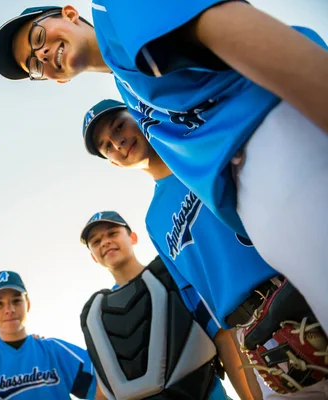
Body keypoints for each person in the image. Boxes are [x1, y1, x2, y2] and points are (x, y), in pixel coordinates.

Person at [0, 4, 328, 330]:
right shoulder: (129, 89)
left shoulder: (115, 12)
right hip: (268, 198)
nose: (42, 55)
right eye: (33, 64)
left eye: (37, 38)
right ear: (55, 80)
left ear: (68, 13)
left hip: (280, 133)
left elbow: (238, 29)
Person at [80, 99, 328, 398]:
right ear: (114, 163)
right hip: (256, 335)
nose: (117, 142)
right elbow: (207, 307)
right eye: (107, 146)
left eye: (119, 126)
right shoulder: (154, 220)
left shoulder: (204, 151)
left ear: (137, 114)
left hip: (302, 288)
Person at [80, 210, 256, 399]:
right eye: (96, 242)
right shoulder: (96, 315)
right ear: (93, 256)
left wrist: (249, 396)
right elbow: (104, 386)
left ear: (133, 237)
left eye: (112, 233)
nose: (105, 242)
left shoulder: (172, 274)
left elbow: (222, 338)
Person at [0, 270, 101, 399]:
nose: (9, 309)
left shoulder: (54, 351)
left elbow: (104, 385)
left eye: (16, 300)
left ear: (28, 304)